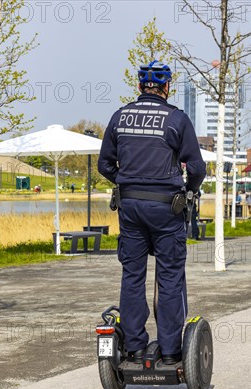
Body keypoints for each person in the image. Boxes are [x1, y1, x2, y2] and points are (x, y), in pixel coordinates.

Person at [98, 61, 206, 365]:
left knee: (132, 275)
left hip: (130, 208)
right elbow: (197, 167)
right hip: (166, 208)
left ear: (139, 87)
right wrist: (189, 190)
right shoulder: (176, 119)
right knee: (170, 277)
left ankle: (133, 347)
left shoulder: (120, 117)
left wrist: (126, 181)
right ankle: (171, 351)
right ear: (167, 87)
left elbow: (104, 164)